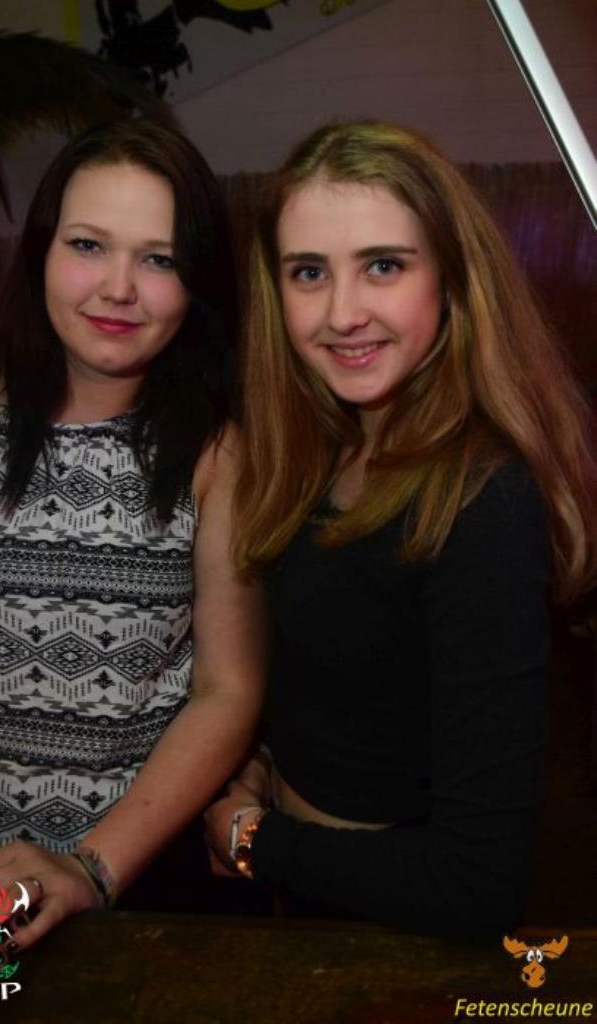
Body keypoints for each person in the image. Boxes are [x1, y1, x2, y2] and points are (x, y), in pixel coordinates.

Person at [204, 120, 597, 937]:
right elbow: (358, 685)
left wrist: (255, 842)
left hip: (397, 944)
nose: (342, 313)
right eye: (308, 272)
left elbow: (475, 885)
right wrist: (267, 762)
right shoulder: (329, 447)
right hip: (312, 907)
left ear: (450, 278)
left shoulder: (482, 501)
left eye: (383, 265)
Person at [0, 119, 265, 963]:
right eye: (87, 245)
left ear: (196, 282)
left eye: (159, 258)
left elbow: (227, 690)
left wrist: (88, 870)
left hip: (141, 890)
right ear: (40, 252)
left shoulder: (219, 453)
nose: (118, 288)